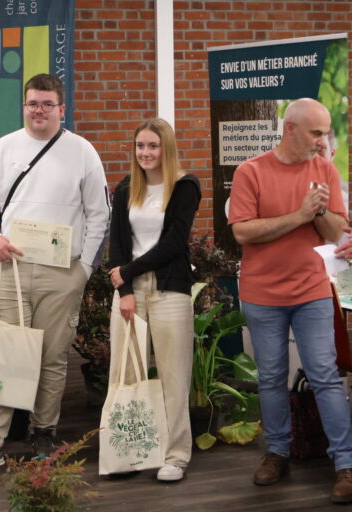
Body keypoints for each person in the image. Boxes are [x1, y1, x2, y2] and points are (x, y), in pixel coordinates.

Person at [0, 73, 110, 469]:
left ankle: (44, 431)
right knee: (2, 352)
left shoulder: (82, 152)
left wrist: (84, 269)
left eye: (48, 104)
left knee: (52, 357)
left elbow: (100, 215)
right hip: (10, 267)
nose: (39, 111)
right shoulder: (4, 147)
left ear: (62, 109)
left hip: (62, 273)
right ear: (24, 106)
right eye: (33, 103)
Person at [228, 98, 352, 504]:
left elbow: (337, 233)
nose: (323, 142)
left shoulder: (325, 170)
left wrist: (318, 212)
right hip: (262, 294)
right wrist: (301, 215)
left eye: (325, 133)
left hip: (312, 291)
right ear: (290, 129)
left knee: (325, 375)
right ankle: (278, 453)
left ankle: (346, 464)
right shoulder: (250, 171)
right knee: (270, 378)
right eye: (316, 133)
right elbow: (243, 232)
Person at [108, 118, 201, 482]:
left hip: (169, 290)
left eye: (153, 146)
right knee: (126, 373)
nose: (145, 153)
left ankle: (175, 455)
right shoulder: (125, 188)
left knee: (173, 376)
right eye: (140, 146)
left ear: (166, 149)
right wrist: (125, 291)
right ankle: (130, 452)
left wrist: (127, 272)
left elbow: (174, 243)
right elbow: (117, 242)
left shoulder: (185, 186)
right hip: (130, 291)